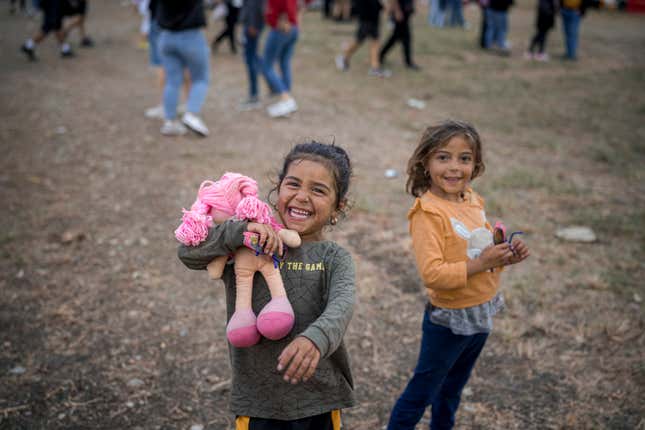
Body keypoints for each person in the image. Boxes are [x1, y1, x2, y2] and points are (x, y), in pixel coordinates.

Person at [177, 141, 356, 429]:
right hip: (259, 401)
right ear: (278, 190)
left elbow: (343, 304)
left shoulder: (334, 257)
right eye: (293, 184)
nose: (301, 196)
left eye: (318, 190)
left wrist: (316, 338)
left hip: (320, 398)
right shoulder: (248, 244)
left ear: (338, 206)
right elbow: (188, 254)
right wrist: (240, 231)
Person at [387, 120, 530, 430]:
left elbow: (482, 251)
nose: (454, 167)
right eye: (443, 157)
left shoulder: (473, 200)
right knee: (422, 392)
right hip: (449, 320)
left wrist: (505, 254)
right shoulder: (428, 213)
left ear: (475, 164)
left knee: (452, 389)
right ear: (425, 162)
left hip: (482, 311)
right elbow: (433, 275)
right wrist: (482, 263)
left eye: (464, 158)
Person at [157, 0, 210, 136]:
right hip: (191, 35)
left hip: (166, 36)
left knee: (172, 81)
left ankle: (170, 121)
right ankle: (192, 113)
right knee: (200, 79)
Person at [262, 0, 300, 118]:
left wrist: (285, 19)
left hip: (282, 28)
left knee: (267, 65)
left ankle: (286, 98)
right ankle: (286, 101)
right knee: (284, 63)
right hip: (292, 27)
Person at [335, 0, 391, 78]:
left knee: (374, 43)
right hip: (366, 19)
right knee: (359, 41)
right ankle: (343, 57)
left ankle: (375, 68)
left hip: (372, 19)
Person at [238, 0, 266, 110]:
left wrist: (252, 24)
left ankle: (254, 95)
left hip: (253, 24)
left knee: (251, 60)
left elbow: (254, 5)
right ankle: (273, 84)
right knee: (254, 58)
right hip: (252, 23)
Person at [379, 0, 420, 70]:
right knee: (406, 38)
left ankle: (380, 55)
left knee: (395, 37)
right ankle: (408, 62)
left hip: (405, 12)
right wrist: (397, 11)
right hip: (400, 12)